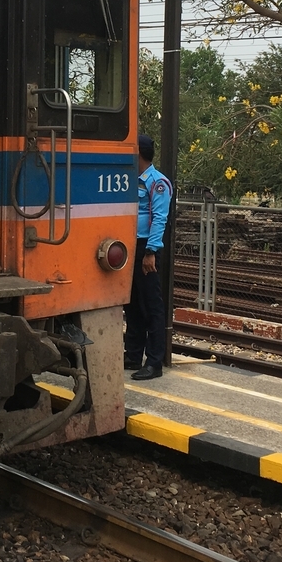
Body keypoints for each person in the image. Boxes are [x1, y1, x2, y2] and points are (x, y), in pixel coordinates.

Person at [124, 134, 172, 380]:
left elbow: (159, 218)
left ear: (139, 154)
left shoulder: (157, 182)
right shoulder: (130, 179)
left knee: (152, 306)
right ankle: (133, 354)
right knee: (132, 304)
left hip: (146, 248)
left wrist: (151, 252)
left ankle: (154, 362)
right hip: (130, 246)